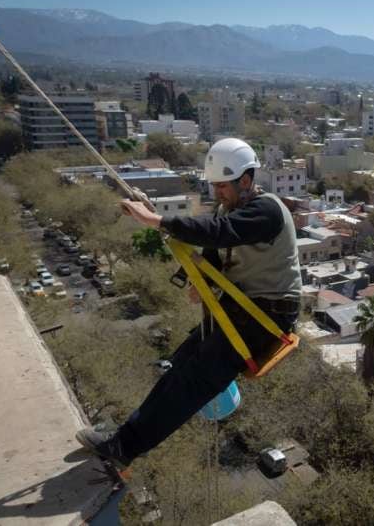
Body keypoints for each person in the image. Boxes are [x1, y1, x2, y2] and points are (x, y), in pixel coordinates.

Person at [75, 138, 302, 468]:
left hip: (267, 317)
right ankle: (124, 435)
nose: (218, 193)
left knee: (193, 379)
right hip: (243, 311)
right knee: (178, 366)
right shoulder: (230, 209)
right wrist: (201, 279)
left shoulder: (266, 211)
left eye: (223, 186)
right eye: (214, 186)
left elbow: (219, 232)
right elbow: (213, 251)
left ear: (247, 181)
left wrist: (156, 221)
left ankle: (124, 447)